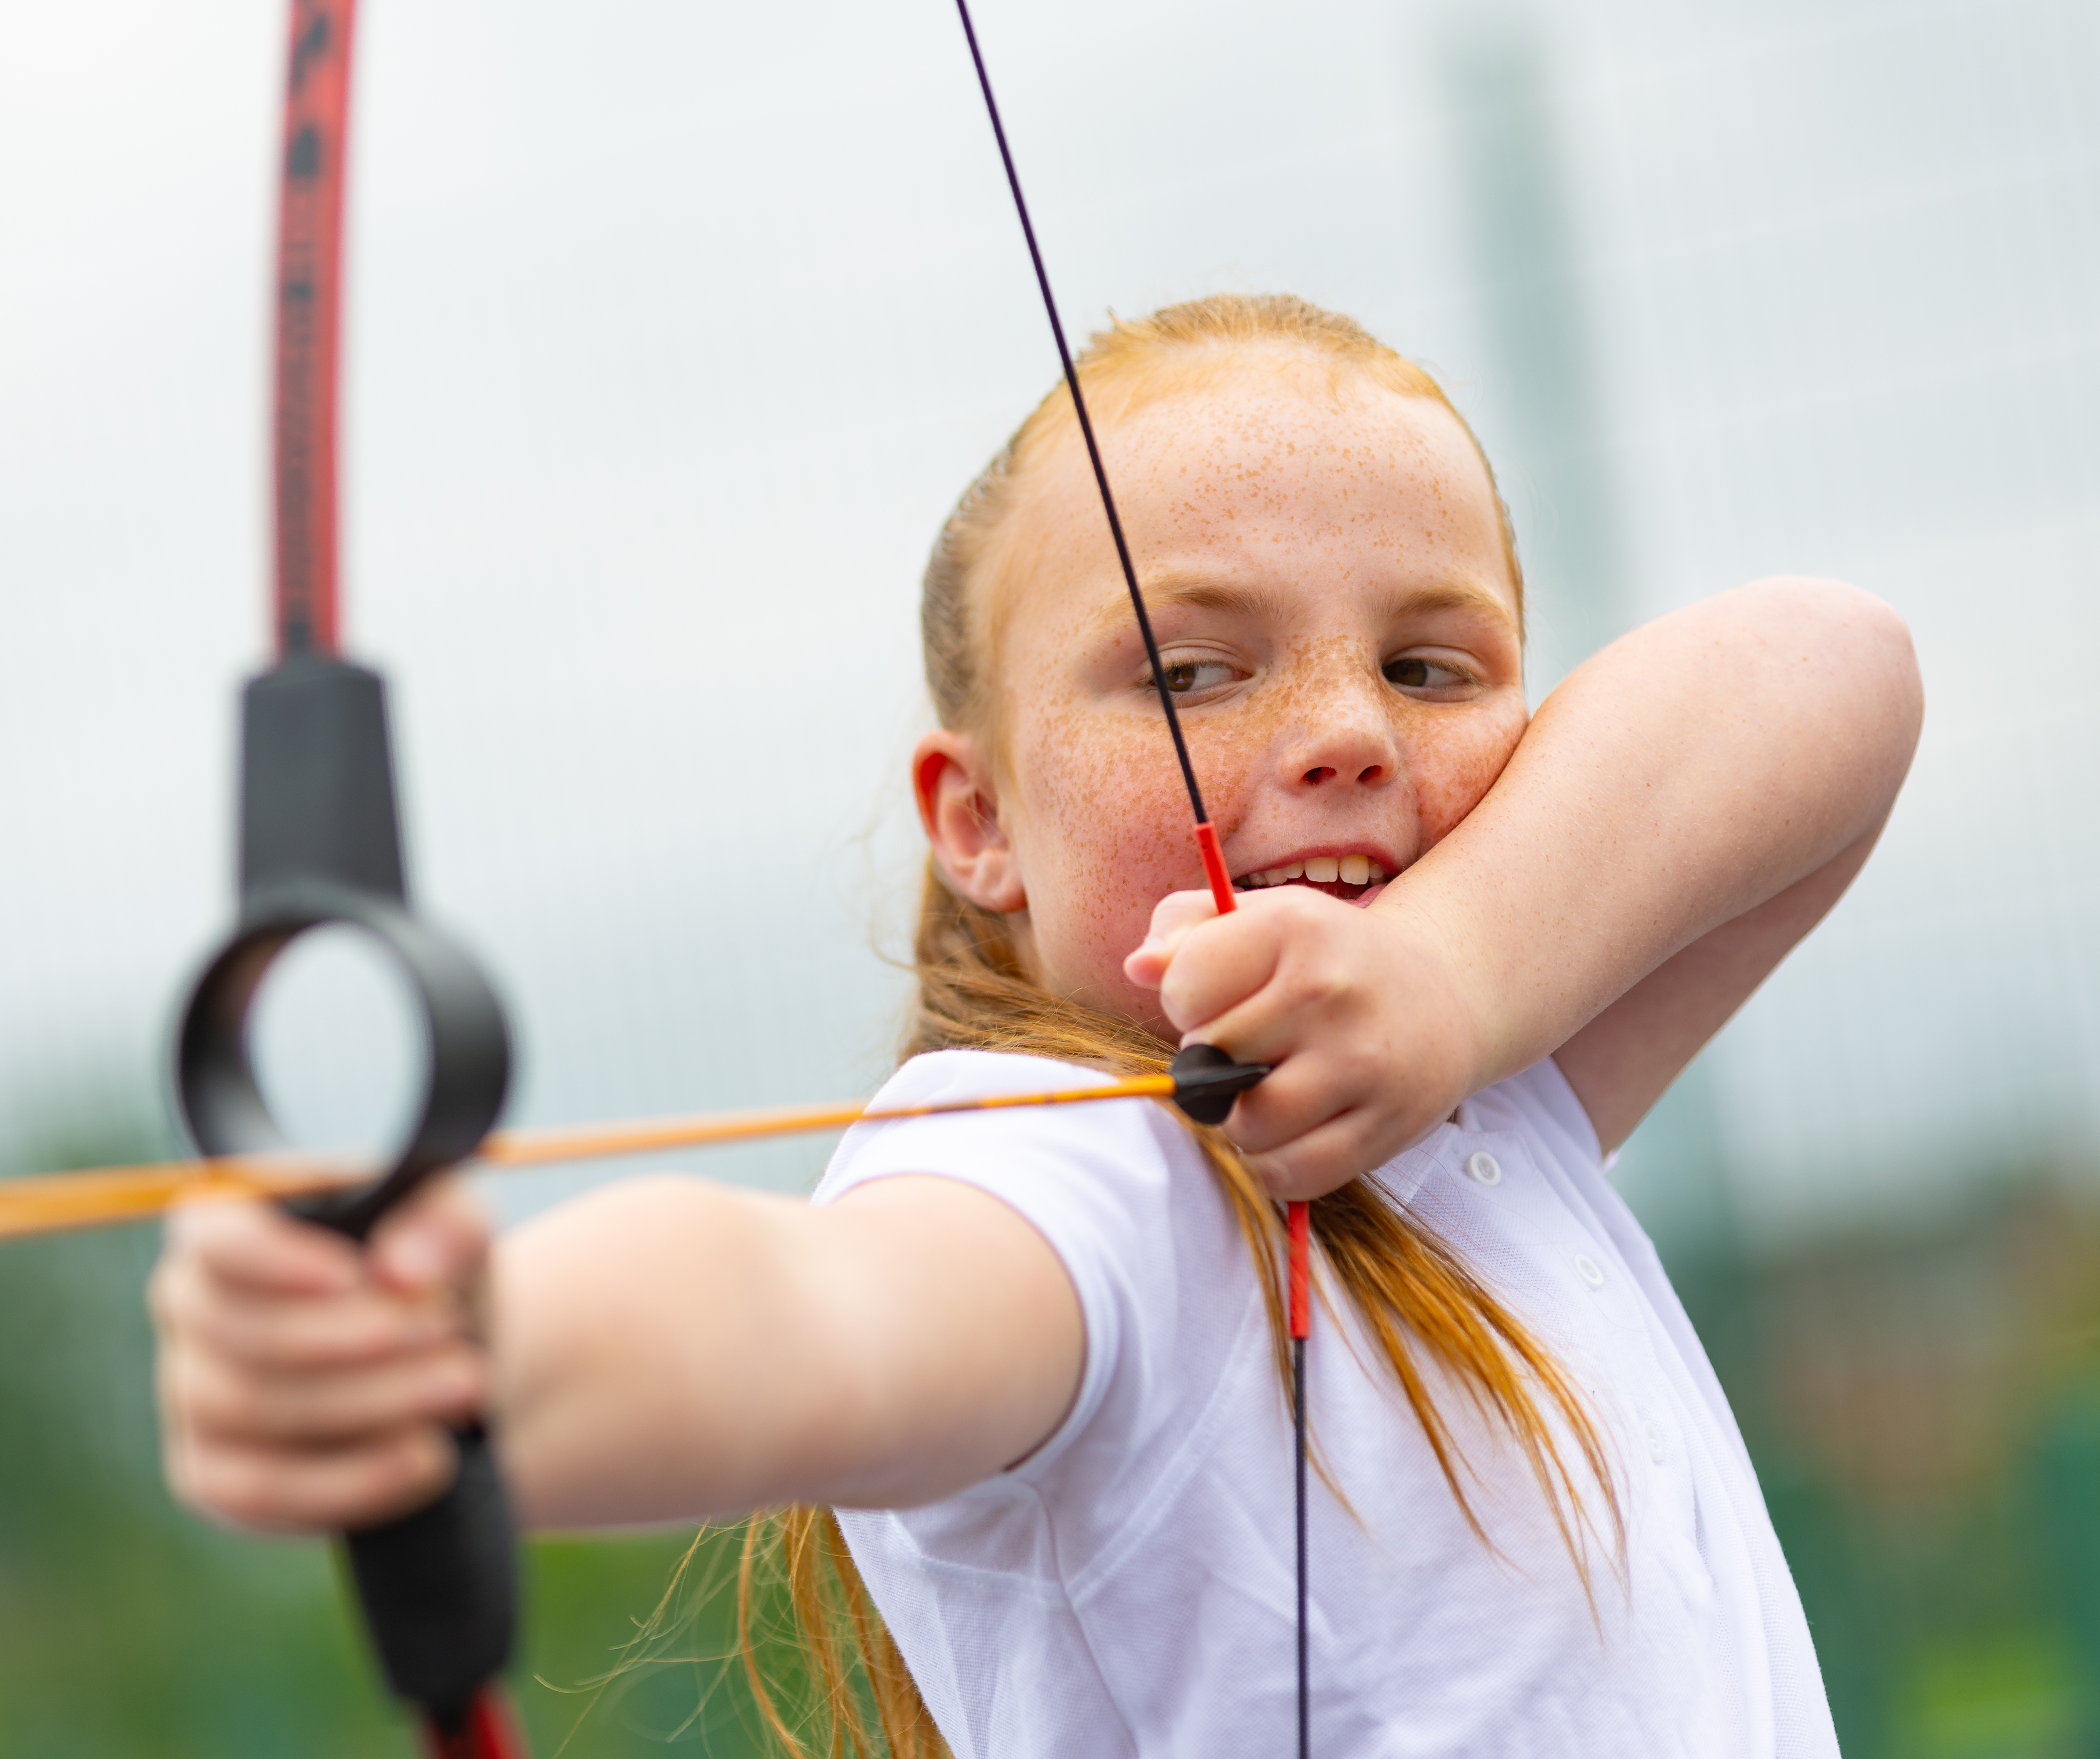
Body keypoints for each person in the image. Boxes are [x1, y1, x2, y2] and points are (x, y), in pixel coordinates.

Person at [147, 294, 1920, 1756]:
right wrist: (461, 1357)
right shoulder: (1075, 1171)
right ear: (977, 820)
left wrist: (1451, 980)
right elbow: (805, 1322)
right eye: (1192, 668)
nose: (1346, 733)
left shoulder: (1488, 1092)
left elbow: (1833, 669)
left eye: (1431, 665)